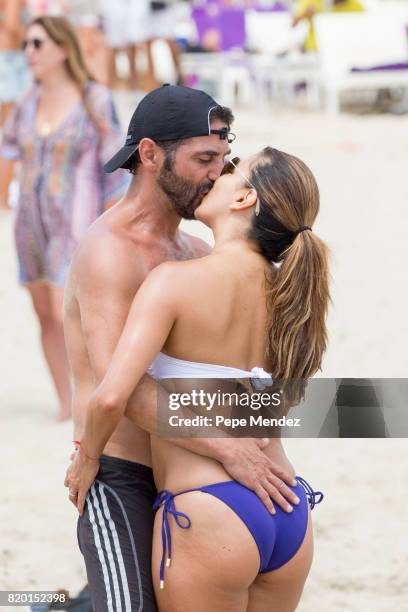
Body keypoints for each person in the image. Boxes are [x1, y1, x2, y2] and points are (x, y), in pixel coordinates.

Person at [64, 84, 300, 612]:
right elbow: (118, 392)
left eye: (223, 159)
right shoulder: (109, 252)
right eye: (203, 159)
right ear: (150, 155)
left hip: (195, 476)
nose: (216, 173)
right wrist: (228, 446)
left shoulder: (195, 252)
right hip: (121, 475)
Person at [0, 16, 129, 420]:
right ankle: (65, 400)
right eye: (27, 44)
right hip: (31, 223)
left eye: (38, 44)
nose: (30, 52)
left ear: (62, 47)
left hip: (77, 223)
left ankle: (90, 395)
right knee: (44, 312)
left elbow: (116, 165)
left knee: (66, 310)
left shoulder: (94, 97)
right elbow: (7, 150)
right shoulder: (26, 101)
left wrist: (113, 225)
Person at [0, 0, 29, 209]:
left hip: (9, 59)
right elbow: (11, 26)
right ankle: (3, 197)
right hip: (11, 60)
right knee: (13, 133)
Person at [293, 0, 365, 52]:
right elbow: (292, 24)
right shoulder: (312, 2)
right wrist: (304, 13)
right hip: (315, 49)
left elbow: (364, 25)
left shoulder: (355, 5)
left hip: (345, 48)